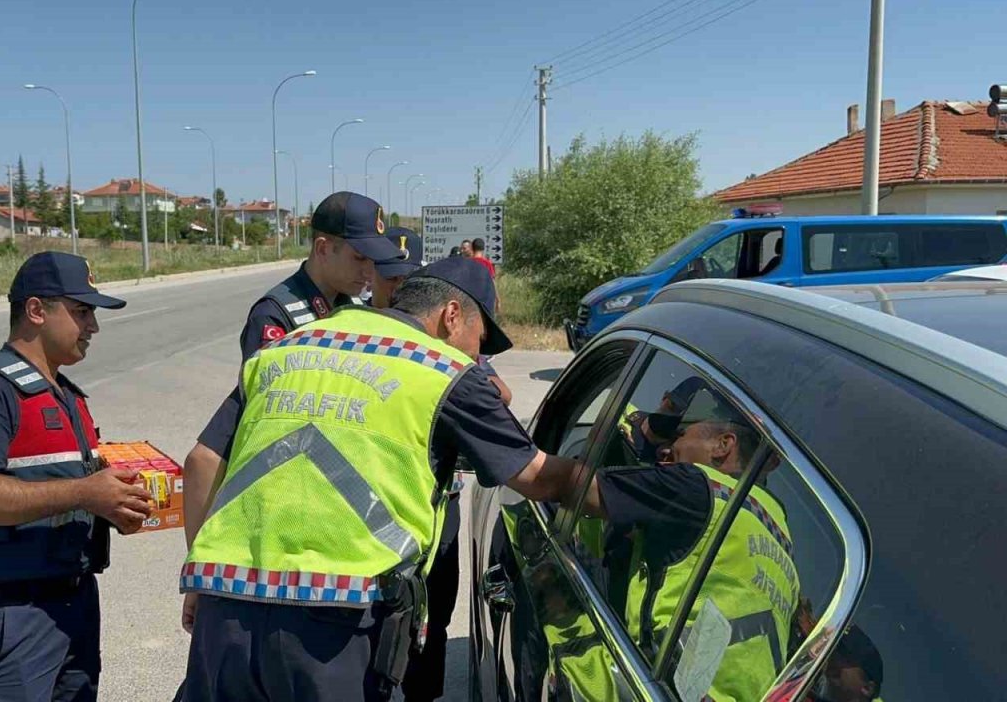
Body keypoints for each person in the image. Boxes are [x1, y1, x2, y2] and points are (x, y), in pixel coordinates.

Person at [179, 257, 578, 701]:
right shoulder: (445, 372)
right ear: (450, 316)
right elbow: (536, 476)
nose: (476, 354)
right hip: (336, 623)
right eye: (478, 338)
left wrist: (199, 570)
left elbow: (201, 461)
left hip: (224, 600)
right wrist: (630, 485)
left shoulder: (285, 349)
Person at [0, 251, 153, 701]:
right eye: (81, 311)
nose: (92, 326)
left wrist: (113, 506)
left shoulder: (64, 394)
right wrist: (85, 493)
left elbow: (64, 487)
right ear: (36, 311)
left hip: (71, 600)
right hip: (9, 612)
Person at [181, 192, 405, 629]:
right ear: (324, 248)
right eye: (360, 258)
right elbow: (266, 423)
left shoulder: (352, 307)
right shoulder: (279, 315)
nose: (369, 272)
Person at [576, 387, 799, 702]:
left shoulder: (693, 488)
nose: (669, 449)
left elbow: (561, 482)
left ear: (723, 445)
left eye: (680, 436)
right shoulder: (780, 530)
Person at [371, 227, 509, 700]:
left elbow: (499, 393)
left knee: (428, 621)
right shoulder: (392, 349)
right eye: (478, 339)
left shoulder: (447, 356)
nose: (478, 354)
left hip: (432, 512)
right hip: (377, 530)